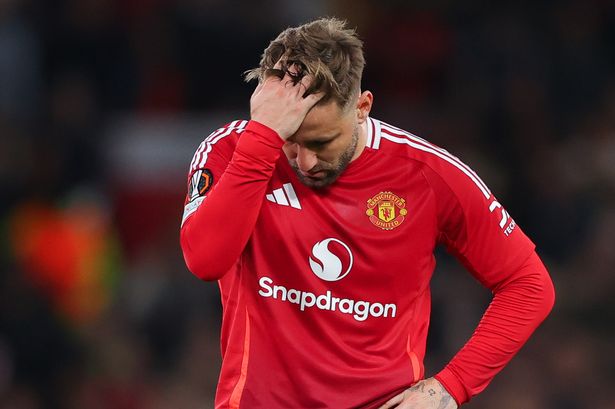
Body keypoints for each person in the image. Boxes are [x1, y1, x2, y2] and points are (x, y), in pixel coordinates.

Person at [180, 17, 555, 409]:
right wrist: (263, 138)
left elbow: (529, 284)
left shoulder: (426, 174)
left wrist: (452, 385)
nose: (305, 162)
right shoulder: (234, 150)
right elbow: (205, 261)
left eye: (322, 142)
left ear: (362, 107)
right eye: (291, 141)